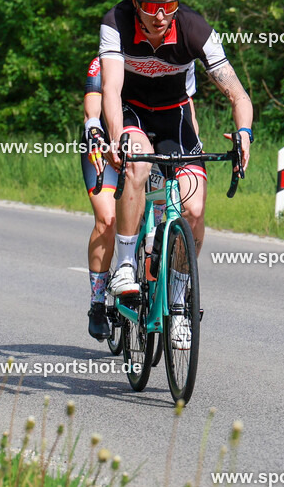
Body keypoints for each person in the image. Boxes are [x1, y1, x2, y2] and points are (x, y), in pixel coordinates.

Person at [98, 0, 252, 348]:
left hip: (174, 117)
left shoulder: (195, 29)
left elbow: (237, 93)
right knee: (137, 164)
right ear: (136, 2)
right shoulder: (115, 22)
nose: (161, 14)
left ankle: (180, 305)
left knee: (195, 210)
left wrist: (244, 133)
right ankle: (127, 265)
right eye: (152, 5)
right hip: (131, 111)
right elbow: (111, 90)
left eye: (170, 4)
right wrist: (116, 137)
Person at [80, 56, 202, 341]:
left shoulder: (164, 61)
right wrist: (97, 134)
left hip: (149, 140)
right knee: (108, 219)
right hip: (106, 142)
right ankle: (97, 303)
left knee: (164, 210)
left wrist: (194, 143)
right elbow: (92, 110)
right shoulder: (105, 59)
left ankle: (160, 286)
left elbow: (187, 106)